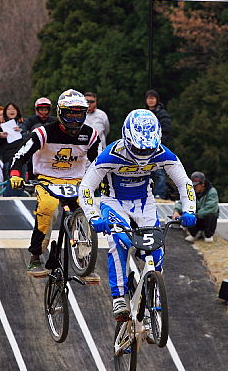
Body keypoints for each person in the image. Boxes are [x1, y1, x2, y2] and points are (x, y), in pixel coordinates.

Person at [78, 108, 197, 320]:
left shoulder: (162, 152)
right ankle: (119, 298)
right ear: (127, 138)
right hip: (114, 203)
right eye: (138, 149)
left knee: (156, 251)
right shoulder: (111, 154)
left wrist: (189, 210)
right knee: (119, 243)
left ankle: (153, 296)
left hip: (145, 204)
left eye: (147, 150)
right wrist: (93, 216)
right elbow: (86, 186)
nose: (143, 155)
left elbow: (184, 183)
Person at [9, 89, 100, 277]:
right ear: (60, 113)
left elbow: (100, 163)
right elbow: (20, 155)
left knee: (87, 208)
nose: (75, 121)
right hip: (47, 180)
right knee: (48, 208)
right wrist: (15, 174)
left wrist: (104, 182)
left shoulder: (90, 135)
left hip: (77, 180)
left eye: (79, 115)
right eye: (70, 115)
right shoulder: (43, 133)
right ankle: (36, 255)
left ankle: (84, 259)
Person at [173, 171, 219, 243]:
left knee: (211, 215)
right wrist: (176, 211)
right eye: (193, 185)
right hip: (196, 217)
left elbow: (210, 208)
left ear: (202, 184)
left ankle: (208, 235)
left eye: (196, 185)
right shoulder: (191, 191)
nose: (194, 187)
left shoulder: (212, 192)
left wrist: (195, 215)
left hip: (204, 218)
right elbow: (182, 202)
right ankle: (194, 234)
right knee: (187, 214)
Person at [145, 90, 172, 199]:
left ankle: (160, 194)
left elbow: (167, 130)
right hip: (144, 148)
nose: (150, 101)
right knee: (146, 171)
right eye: (148, 98)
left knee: (159, 171)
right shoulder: (144, 113)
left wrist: (159, 143)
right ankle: (147, 193)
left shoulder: (162, 114)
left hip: (157, 147)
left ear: (157, 100)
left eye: (153, 98)